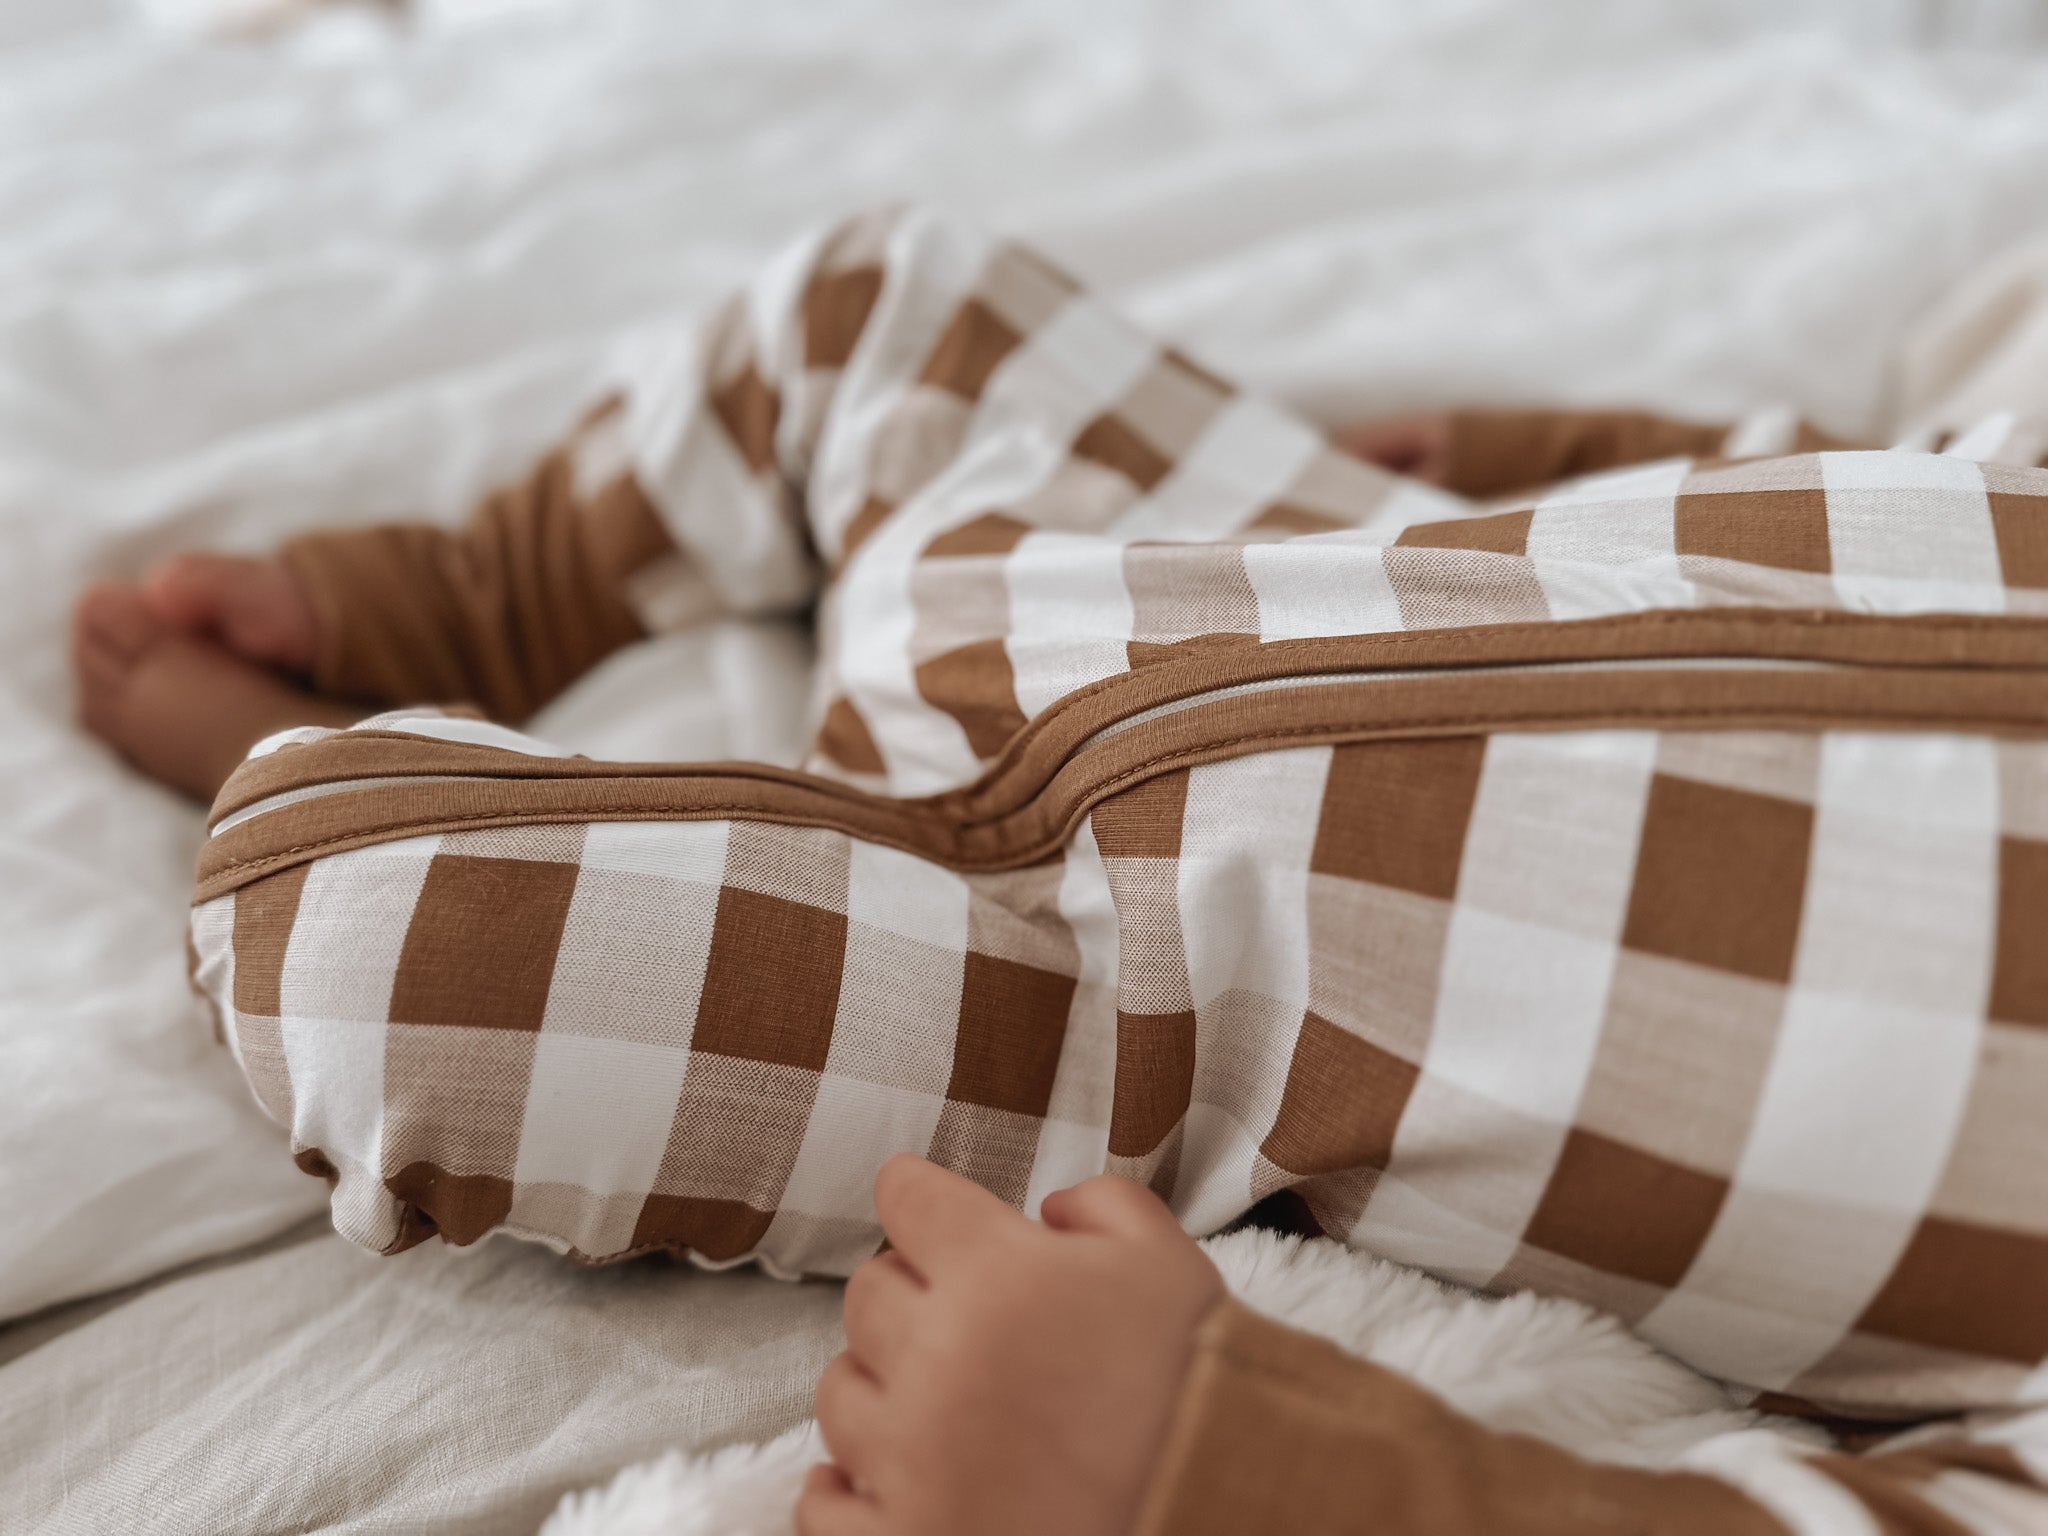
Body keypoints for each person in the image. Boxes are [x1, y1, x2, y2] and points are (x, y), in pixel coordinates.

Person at [75, 207, 2048, 1532]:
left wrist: (1208, 1465)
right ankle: (493, 593)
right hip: (1277, 538)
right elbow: (1919, 459)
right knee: (887, 294)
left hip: (1097, 995)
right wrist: (1540, 457)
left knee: (395, 950)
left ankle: (283, 767)